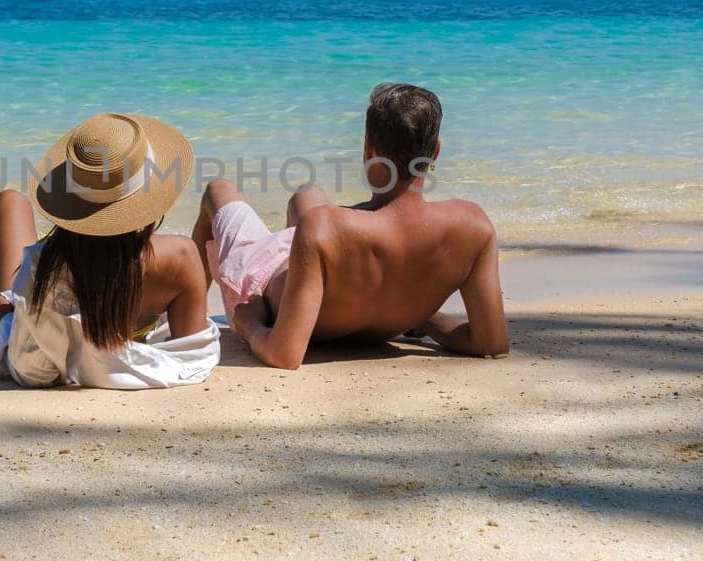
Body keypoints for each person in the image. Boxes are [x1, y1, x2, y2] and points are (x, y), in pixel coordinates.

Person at [192, 83, 508, 370]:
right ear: (436, 149)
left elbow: (284, 354)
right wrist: (421, 317)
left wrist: (249, 323)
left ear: (368, 149)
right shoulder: (473, 227)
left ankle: (183, 320)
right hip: (350, 287)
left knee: (219, 190)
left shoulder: (324, 228)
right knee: (307, 196)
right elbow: (490, 343)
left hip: (265, 289)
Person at [0, 112, 219, 388]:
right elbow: (191, 353)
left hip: (44, 362)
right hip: (118, 350)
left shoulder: (46, 263)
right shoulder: (179, 257)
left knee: (10, 201)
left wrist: (6, 316)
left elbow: (34, 337)